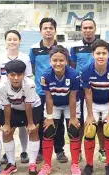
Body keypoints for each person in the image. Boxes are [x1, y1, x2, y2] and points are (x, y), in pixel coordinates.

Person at [39, 46, 82, 175]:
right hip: (54, 104)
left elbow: (73, 97)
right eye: (54, 60)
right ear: (49, 61)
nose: (58, 63)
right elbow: (48, 97)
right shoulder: (45, 75)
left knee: (74, 131)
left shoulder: (74, 74)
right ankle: (46, 165)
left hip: (70, 104)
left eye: (61, 60)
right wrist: (50, 117)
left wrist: (73, 118)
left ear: (67, 60)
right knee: (48, 130)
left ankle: (75, 164)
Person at [0, 60, 43, 175]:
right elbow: (6, 106)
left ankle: (32, 164)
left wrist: (31, 123)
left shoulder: (30, 84)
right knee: (7, 132)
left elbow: (28, 105)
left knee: (33, 130)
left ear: (24, 74)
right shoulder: (1, 86)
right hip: (13, 108)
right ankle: (11, 163)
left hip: (32, 107)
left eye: (19, 74)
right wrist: (7, 124)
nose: (16, 78)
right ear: (7, 75)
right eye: (12, 75)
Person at [80, 40, 109, 175]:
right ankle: (89, 164)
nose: (101, 56)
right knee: (89, 131)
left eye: (104, 53)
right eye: (98, 53)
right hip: (93, 104)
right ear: (92, 54)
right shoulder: (86, 70)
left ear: (108, 54)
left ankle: (108, 164)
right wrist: (90, 115)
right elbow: (88, 93)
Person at [69, 18, 106, 163]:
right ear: (81, 30)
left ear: (95, 29)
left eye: (90, 27)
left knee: (101, 122)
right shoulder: (75, 48)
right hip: (81, 90)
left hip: (100, 90)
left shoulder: (103, 46)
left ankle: (102, 150)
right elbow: (72, 67)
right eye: (85, 28)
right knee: (82, 122)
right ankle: (78, 151)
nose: (88, 30)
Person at [30, 18, 66, 163]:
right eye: (45, 28)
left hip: (58, 90)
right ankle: (39, 151)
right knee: (40, 122)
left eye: (51, 28)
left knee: (58, 122)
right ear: (40, 31)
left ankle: (59, 150)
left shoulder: (62, 49)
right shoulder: (34, 49)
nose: (48, 30)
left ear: (55, 31)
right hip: (40, 92)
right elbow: (33, 68)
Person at [0, 29, 33, 165]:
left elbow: (28, 77)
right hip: (6, 95)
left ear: (19, 41)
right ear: (5, 41)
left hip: (21, 95)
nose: (12, 42)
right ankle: (7, 152)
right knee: (7, 125)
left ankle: (24, 151)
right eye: (9, 39)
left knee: (23, 126)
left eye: (15, 39)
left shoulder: (25, 57)